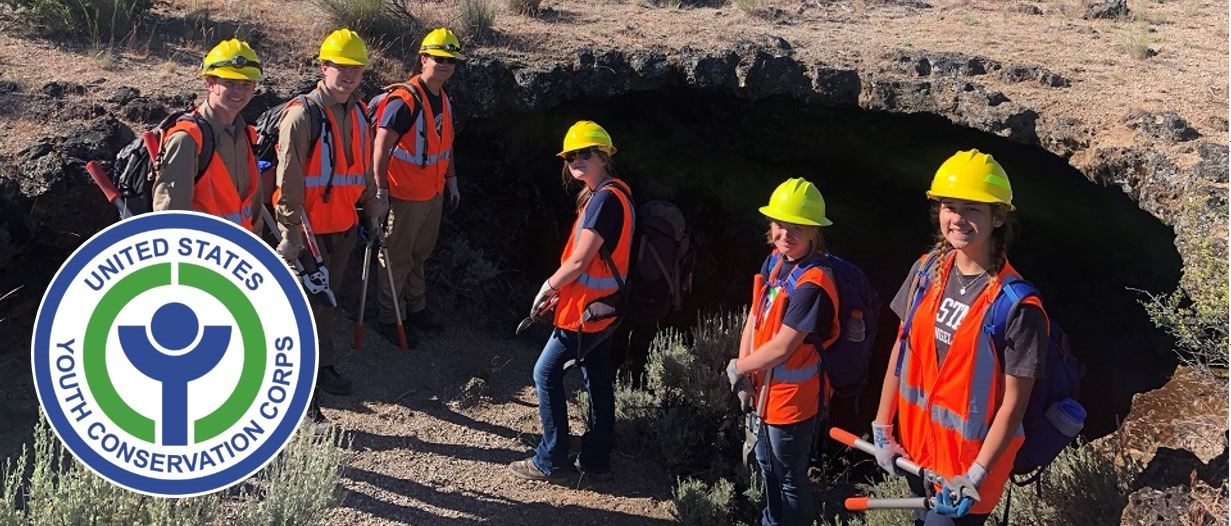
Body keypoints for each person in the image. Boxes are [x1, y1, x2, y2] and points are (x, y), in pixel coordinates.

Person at [871, 150, 1047, 526]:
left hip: (966, 476)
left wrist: (977, 475)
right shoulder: (925, 271)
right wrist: (882, 428)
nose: (957, 219)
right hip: (919, 457)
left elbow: (1013, 405)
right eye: (950, 206)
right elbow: (901, 350)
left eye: (973, 209)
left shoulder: (1016, 305)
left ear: (998, 217)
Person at [508, 121, 633, 482]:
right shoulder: (612, 194)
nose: (576, 161)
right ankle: (596, 461)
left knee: (544, 373)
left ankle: (551, 460)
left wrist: (548, 286)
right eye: (571, 156)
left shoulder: (606, 199)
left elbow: (579, 262)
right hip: (603, 306)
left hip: (587, 312)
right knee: (597, 378)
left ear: (603, 157)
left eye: (584, 154)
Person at [272, 28, 385, 404]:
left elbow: (363, 168)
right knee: (303, 307)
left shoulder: (359, 111)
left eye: (357, 68)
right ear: (323, 67)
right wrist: (290, 231)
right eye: (341, 67)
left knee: (327, 302)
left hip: (343, 228)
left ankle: (320, 366)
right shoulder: (302, 115)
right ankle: (298, 382)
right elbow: (288, 178)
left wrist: (372, 205)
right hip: (308, 233)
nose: (350, 75)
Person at [725, 178, 840, 526]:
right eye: (779, 225)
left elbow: (784, 345)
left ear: (814, 232)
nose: (785, 233)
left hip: (792, 402)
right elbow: (754, 317)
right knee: (767, 467)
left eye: (797, 227)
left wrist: (739, 366)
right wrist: (744, 371)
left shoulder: (813, 283)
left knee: (788, 478)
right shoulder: (775, 262)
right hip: (764, 392)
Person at [371, 27, 463, 344]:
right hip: (403, 196)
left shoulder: (443, 99)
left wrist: (451, 182)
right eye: (438, 58)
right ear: (423, 58)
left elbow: (445, 144)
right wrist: (380, 191)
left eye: (451, 59)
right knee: (396, 259)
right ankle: (390, 318)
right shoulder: (405, 100)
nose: (445, 64)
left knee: (419, 255)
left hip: (432, 194)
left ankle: (416, 309)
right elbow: (380, 147)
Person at [153, 38, 264, 233]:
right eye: (229, 83)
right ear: (209, 83)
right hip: (203, 257)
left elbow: (251, 207)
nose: (239, 92)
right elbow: (170, 218)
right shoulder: (187, 140)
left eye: (246, 85)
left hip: (239, 253)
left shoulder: (247, 135)